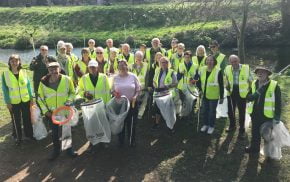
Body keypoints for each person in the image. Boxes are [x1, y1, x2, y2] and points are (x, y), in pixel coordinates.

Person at [38, 62, 77, 160]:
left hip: (65, 111)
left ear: (59, 69)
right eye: (51, 69)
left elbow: (72, 93)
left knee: (67, 131)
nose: (54, 71)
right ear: (48, 70)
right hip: (52, 113)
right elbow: (40, 98)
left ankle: (69, 149)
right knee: (54, 133)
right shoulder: (43, 82)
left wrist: (69, 100)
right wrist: (45, 112)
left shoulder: (67, 79)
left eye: (55, 69)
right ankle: (56, 150)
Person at [77, 60, 111, 151]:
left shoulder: (104, 77)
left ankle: (104, 141)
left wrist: (107, 105)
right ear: (88, 68)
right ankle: (92, 142)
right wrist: (84, 94)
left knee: (102, 123)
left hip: (101, 105)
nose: (92, 69)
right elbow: (79, 91)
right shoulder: (83, 78)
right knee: (91, 125)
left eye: (94, 67)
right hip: (89, 105)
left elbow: (108, 91)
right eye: (90, 67)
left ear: (98, 67)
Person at [245, 66, 281, 153]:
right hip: (255, 114)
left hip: (267, 115)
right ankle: (254, 148)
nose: (260, 73)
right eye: (258, 72)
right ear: (256, 74)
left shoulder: (274, 85)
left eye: (263, 72)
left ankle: (269, 153)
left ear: (268, 74)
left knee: (267, 135)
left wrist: (277, 117)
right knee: (255, 133)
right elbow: (248, 97)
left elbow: (278, 103)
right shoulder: (254, 83)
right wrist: (254, 95)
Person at [2, 54, 34, 145]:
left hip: (25, 100)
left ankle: (29, 135)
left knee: (27, 118)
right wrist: (8, 102)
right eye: (12, 61)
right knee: (16, 120)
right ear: (9, 62)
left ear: (19, 62)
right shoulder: (5, 74)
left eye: (16, 61)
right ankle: (18, 138)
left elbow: (28, 86)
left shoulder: (24, 72)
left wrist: (31, 98)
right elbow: (5, 90)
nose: (14, 63)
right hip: (14, 102)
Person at [112, 60, 141, 147]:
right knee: (121, 122)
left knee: (131, 123)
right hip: (120, 104)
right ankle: (121, 141)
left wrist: (135, 96)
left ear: (127, 66)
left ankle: (132, 141)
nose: (122, 67)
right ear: (118, 67)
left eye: (124, 65)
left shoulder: (133, 76)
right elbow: (112, 90)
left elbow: (138, 89)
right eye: (120, 65)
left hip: (132, 103)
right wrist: (114, 94)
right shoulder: (115, 77)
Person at [224, 55, 253, 137]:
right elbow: (225, 79)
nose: (234, 63)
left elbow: (251, 80)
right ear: (229, 62)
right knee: (230, 110)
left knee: (241, 112)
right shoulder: (227, 68)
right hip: (231, 92)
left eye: (235, 61)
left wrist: (250, 92)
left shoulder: (246, 68)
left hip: (242, 93)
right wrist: (226, 85)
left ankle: (242, 130)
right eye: (232, 62)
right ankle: (232, 125)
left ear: (239, 60)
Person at [197, 55, 224, 134]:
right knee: (205, 110)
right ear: (205, 61)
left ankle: (211, 126)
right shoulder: (202, 69)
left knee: (212, 111)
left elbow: (221, 85)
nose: (209, 62)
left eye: (211, 60)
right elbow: (198, 81)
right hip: (204, 94)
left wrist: (221, 97)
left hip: (213, 95)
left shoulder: (218, 71)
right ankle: (205, 124)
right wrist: (199, 89)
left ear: (214, 62)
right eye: (207, 60)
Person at [152, 56, 178, 132]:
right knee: (157, 109)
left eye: (166, 62)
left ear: (168, 63)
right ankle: (157, 123)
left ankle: (170, 126)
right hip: (157, 92)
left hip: (167, 93)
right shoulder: (157, 70)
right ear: (159, 63)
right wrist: (154, 85)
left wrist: (168, 86)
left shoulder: (172, 72)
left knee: (168, 110)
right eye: (162, 62)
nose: (164, 64)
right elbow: (154, 80)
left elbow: (175, 83)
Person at [130, 51, 149, 119]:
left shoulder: (146, 65)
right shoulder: (131, 65)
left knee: (145, 100)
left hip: (143, 87)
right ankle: (134, 112)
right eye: (137, 56)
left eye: (140, 56)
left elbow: (147, 77)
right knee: (135, 100)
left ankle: (140, 113)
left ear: (143, 57)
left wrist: (146, 87)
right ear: (135, 57)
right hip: (134, 87)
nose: (139, 58)